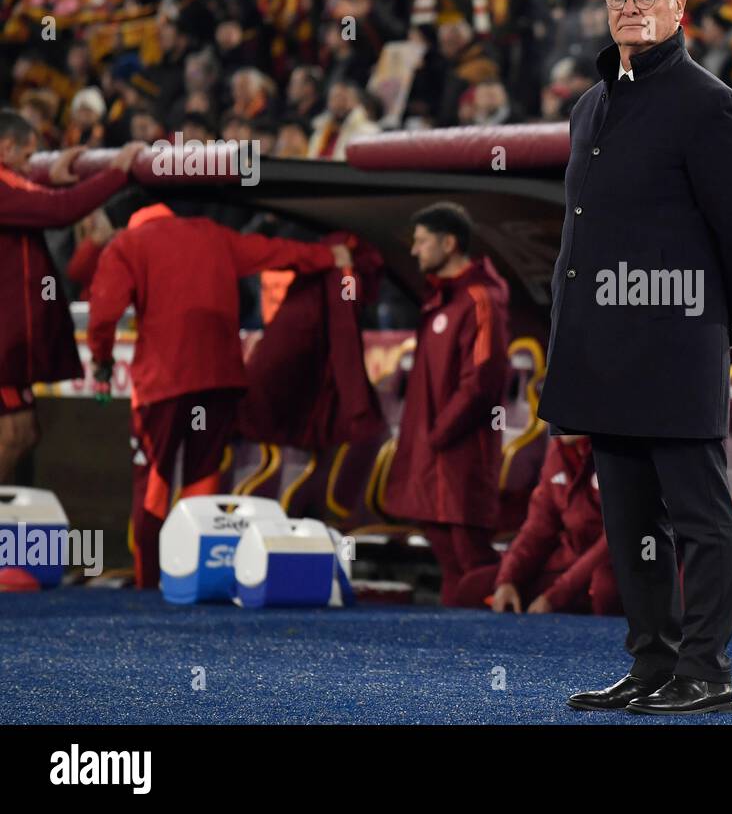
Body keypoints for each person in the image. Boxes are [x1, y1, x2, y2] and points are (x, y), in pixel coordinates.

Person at [544, 0, 732, 715]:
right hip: (603, 354)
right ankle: (652, 664)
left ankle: (705, 670)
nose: (632, 7)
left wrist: (726, 328)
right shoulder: (590, 106)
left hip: (678, 346)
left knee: (700, 520)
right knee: (630, 522)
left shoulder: (709, 104)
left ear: (681, 7)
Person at [87, 189, 352, 588]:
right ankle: (194, 575)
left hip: (164, 383)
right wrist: (330, 257)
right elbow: (272, 251)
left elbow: (103, 312)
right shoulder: (213, 234)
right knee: (203, 476)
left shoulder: (126, 244)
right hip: (220, 380)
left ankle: (148, 581)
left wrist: (103, 361)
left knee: (154, 481)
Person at [0, 110, 144, 483]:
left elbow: (35, 196)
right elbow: (59, 210)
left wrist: (49, 176)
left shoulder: (11, 186)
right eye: (29, 157)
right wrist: (118, 172)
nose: (30, 166)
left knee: (24, 434)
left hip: (10, 348)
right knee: (14, 435)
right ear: (6, 147)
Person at [383, 202, 511, 607]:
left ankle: (507, 650)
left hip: (462, 453)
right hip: (432, 454)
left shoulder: (480, 299)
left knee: (470, 555)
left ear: (449, 242)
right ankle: (455, 655)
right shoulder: (440, 299)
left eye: (422, 242)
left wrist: (439, 434)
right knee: (446, 552)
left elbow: (483, 379)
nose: (415, 251)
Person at [452, 435, 620, 615]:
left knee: (605, 589)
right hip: (566, 563)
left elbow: (614, 541)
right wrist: (508, 579)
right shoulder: (558, 453)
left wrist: (555, 597)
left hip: (610, 569)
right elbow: (538, 528)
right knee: (473, 587)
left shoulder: (620, 454)